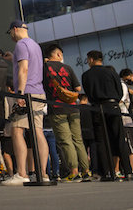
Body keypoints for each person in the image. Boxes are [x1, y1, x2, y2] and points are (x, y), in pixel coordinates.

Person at [1, 20, 49, 186]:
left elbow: (24, 69)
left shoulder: (21, 45)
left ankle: (21, 173)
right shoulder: (35, 45)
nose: (11, 36)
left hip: (26, 92)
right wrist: (13, 58)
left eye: (11, 33)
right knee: (37, 132)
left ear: (14, 30)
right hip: (39, 92)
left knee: (17, 130)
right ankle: (43, 174)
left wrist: (20, 93)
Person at [41, 44, 90, 182]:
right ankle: (86, 171)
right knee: (78, 139)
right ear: (58, 54)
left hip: (57, 108)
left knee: (65, 140)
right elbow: (78, 88)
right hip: (73, 107)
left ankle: (74, 172)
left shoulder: (44, 68)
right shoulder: (68, 68)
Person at [81, 51, 129, 181]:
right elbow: (119, 91)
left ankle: (106, 172)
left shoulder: (86, 75)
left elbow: (88, 93)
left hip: (97, 107)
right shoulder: (111, 72)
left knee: (101, 140)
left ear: (90, 59)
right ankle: (128, 171)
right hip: (113, 106)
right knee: (119, 138)